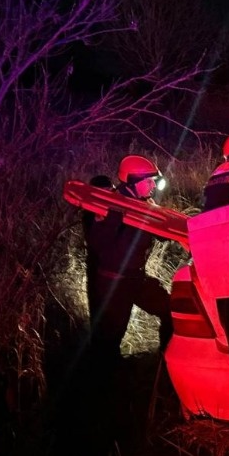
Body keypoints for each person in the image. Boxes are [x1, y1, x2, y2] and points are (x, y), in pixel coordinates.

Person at [85, 155, 173, 369]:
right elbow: (97, 242)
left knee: (170, 310)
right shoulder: (113, 206)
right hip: (114, 284)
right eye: (150, 181)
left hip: (135, 279)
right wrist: (112, 218)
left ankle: (166, 363)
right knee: (108, 341)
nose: (153, 186)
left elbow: (162, 234)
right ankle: (106, 386)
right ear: (134, 181)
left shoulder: (144, 204)